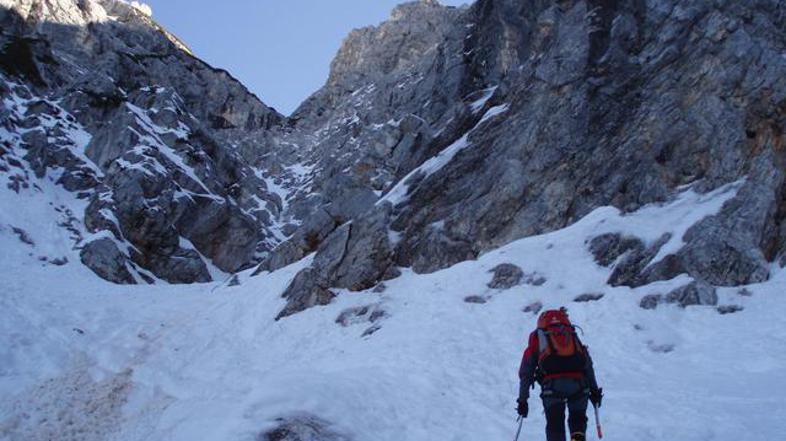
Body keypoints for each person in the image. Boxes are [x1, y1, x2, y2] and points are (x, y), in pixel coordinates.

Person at [516, 308, 603, 441]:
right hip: (579, 385)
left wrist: (523, 400)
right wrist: (594, 391)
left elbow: (526, 372)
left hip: (552, 387)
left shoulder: (537, 337)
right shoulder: (571, 335)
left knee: (555, 425)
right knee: (578, 422)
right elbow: (587, 365)